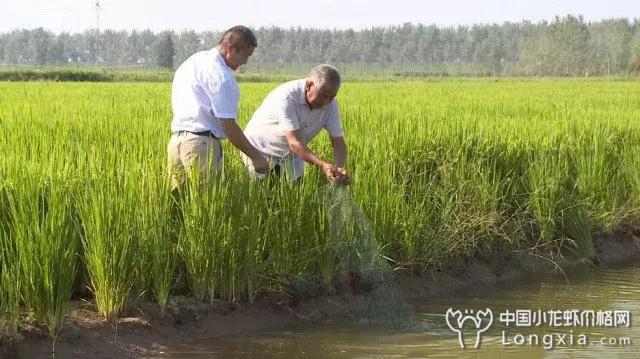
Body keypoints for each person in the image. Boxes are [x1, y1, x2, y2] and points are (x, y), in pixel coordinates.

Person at [167, 25, 268, 191]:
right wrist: (256, 157)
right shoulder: (222, 77)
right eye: (245, 55)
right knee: (204, 208)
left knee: (179, 205)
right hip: (201, 145)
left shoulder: (194, 60)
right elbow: (228, 126)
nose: (245, 62)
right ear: (230, 48)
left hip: (176, 142)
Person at [243, 64, 350, 184]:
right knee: (266, 193)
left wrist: (338, 169)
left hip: (292, 155)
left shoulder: (331, 105)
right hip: (262, 150)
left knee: (295, 193)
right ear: (309, 85)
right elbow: (294, 142)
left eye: (331, 97)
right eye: (324, 96)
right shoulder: (288, 97)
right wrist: (322, 165)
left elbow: (339, 143)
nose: (326, 102)